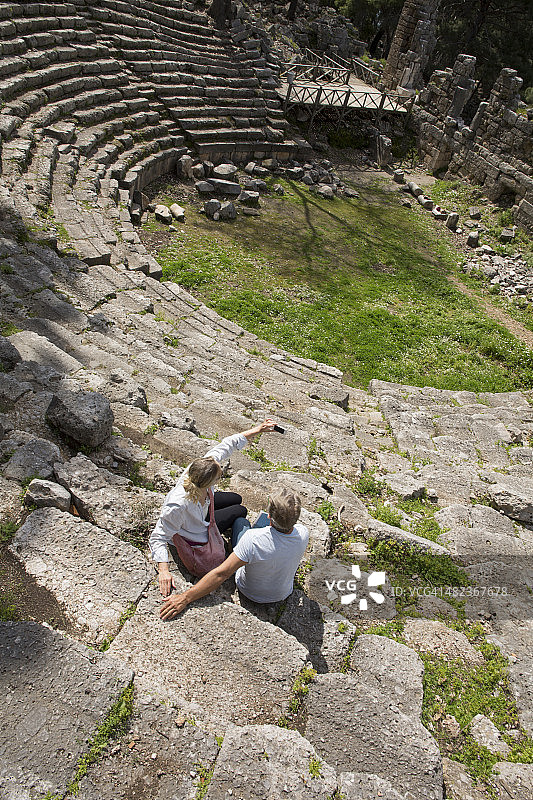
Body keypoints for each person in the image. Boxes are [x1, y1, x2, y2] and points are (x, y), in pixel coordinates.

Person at [150, 419, 276, 594]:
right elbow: (158, 536)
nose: (221, 477)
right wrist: (163, 570)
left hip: (203, 509)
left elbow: (228, 444)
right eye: (219, 478)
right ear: (208, 483)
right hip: (194, 531)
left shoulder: (199, 470)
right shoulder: (178, 505)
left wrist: (259, 429)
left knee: (236, 498)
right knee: (241, 511)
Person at [159, 487, 309, 620]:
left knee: (241, 523)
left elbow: (221, 574)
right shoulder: (303, 533)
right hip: (281, 594)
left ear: (270, 516)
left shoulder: (253, 540)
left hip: (248, 590)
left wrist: (185, 598)